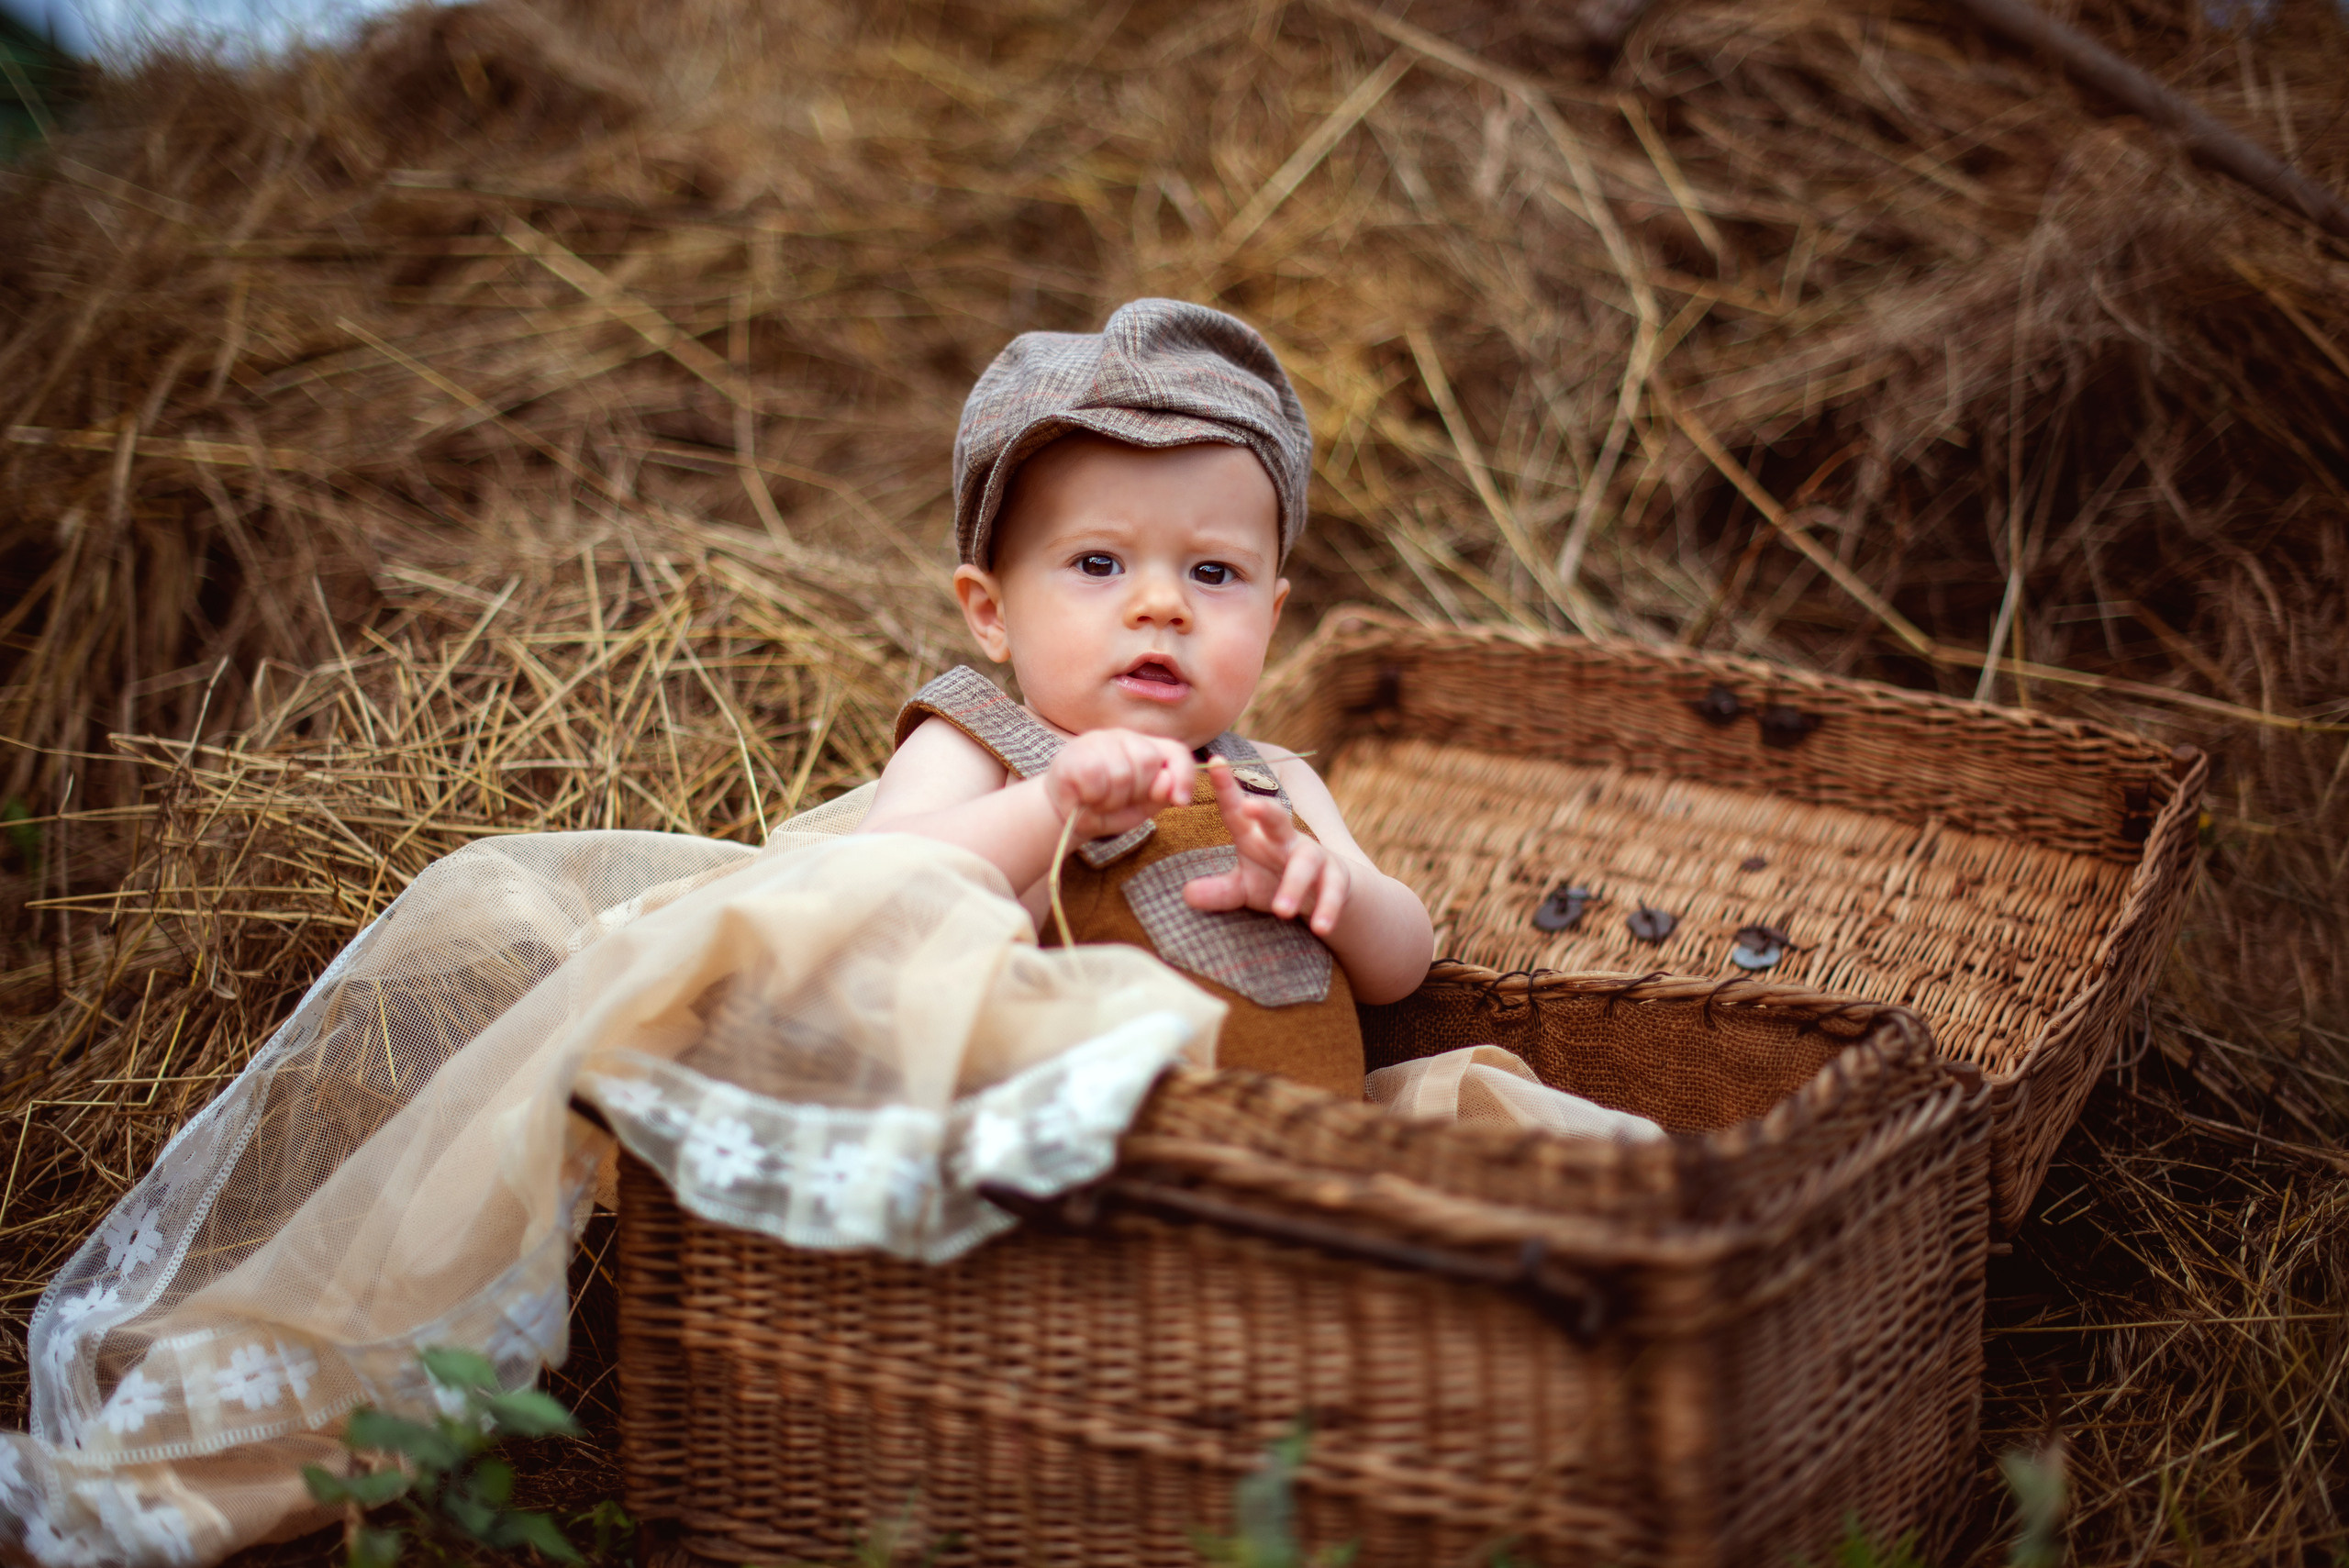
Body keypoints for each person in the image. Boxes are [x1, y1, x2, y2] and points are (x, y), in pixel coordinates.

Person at [856, 298, 1434, 1096]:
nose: (1162, 604)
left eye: (1213, 572)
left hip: (1306, 1177)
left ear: (1271, 618)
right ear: (991, 612)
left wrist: (1328, 885)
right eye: (1099, 564)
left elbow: (1403, 967)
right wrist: (1049, 809)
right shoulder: (980, 749)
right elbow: (870, 896)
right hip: (1069, 1166)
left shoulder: (1272, 780)